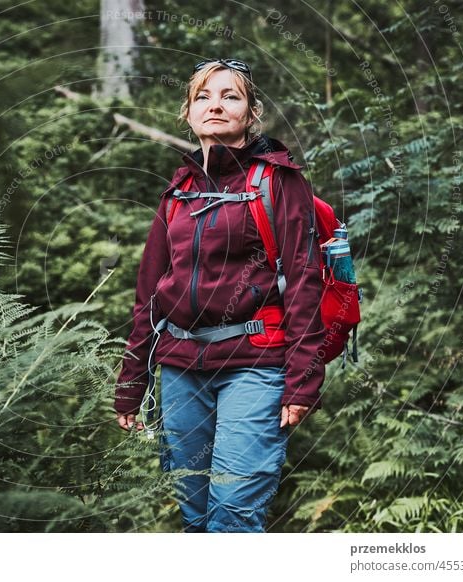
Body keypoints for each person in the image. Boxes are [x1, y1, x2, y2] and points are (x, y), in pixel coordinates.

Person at [114, 59, 326, 533]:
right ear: (187, 114)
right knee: (194, 515)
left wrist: (303, 379)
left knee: (233, 511)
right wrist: (132, 382)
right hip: (181, 368)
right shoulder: (178, 192)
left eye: (231, 96)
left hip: (256, 364)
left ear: (252, 114)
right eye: (203, 96)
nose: (216, 104)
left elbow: (305, 280)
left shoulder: (277, 181)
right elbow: (150, 294)